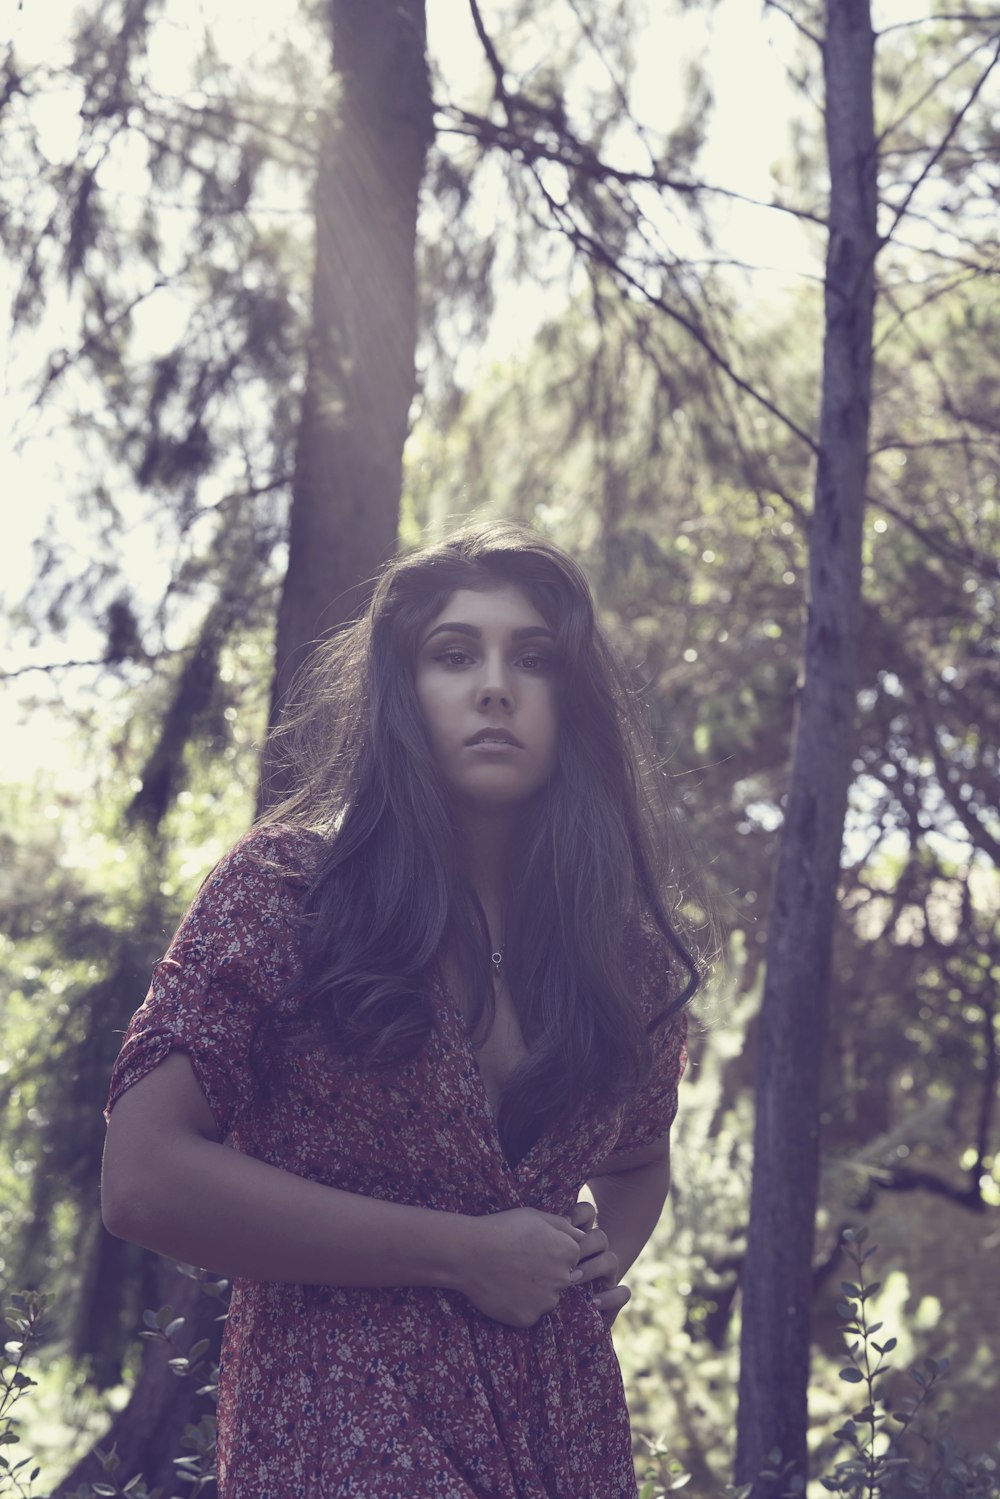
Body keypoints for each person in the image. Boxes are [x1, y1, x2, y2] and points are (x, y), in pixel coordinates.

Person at [102, 519, 699, 1498]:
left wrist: (594, 1259)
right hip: (337, 1418)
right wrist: (466, 1254)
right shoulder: (287, 890)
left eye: (534, 658)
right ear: (401, 691)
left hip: (561, 1428)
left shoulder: (618, 952)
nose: (494, 684)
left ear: (573, 701)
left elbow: (639, 1148)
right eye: (453, 653)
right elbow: (142, 1173)